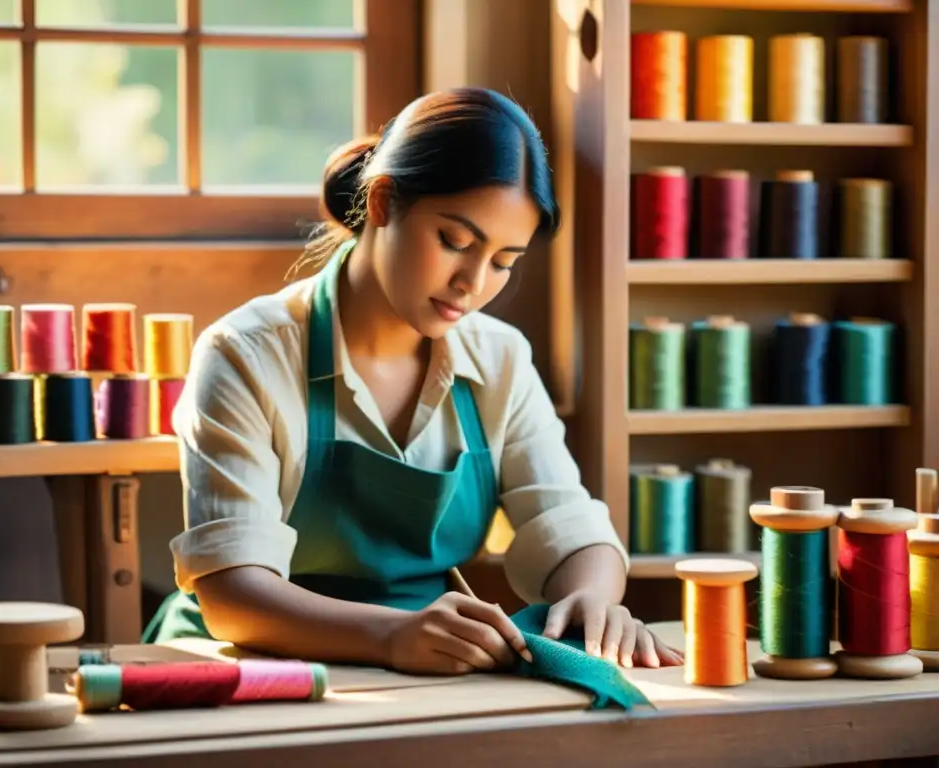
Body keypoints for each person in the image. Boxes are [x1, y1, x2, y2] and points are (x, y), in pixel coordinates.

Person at [144, 87, 682, 675]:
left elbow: (568, 523)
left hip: (420, 668)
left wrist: (594, 598)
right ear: (382, 201)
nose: (472, 283)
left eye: (504, 261)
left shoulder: (499, 359)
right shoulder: (246, 354)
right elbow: (232, 595)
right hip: (243, 665)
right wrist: (390, 637)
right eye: (455, 242)